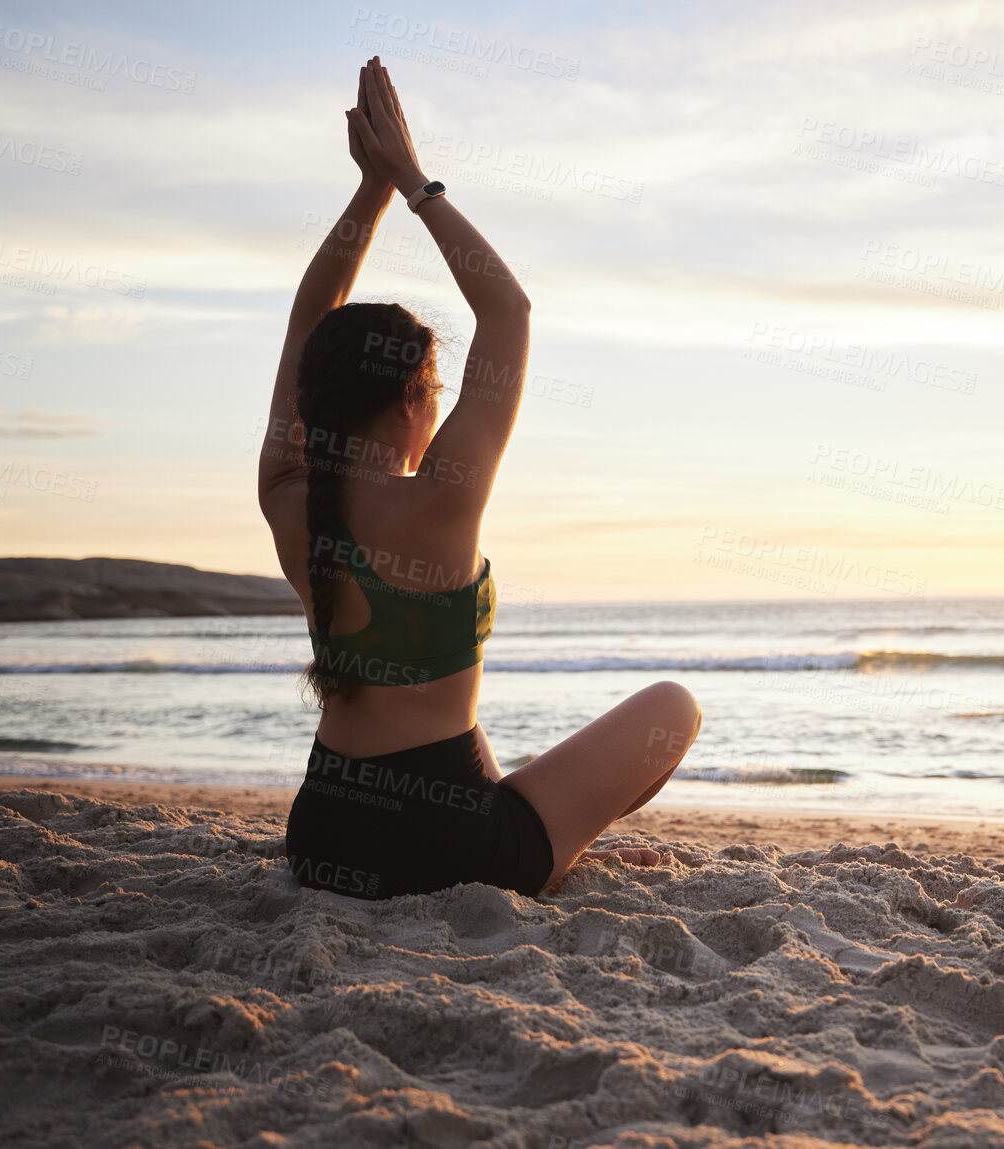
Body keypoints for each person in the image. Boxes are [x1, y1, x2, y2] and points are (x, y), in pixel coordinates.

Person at [257, 58, 700, 899]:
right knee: (675, 706)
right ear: (409, 409)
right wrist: (412, 182)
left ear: (318, 402)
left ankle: (542, 829)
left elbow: (308, 317)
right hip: (450, 843)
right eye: (432, 394)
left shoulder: (286, 495)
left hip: (321, 831)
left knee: (475, 742)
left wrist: (369, 197)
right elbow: (509, 311)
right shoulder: (443, 498)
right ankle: (559, 852)